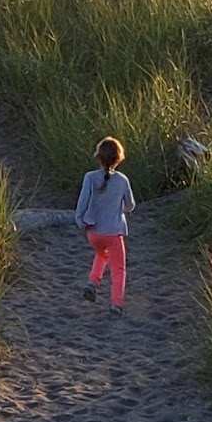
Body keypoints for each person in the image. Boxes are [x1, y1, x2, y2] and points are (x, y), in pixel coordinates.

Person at [75, 135, 136, 315]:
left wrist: (80, 220)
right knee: (118, 269)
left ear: (99, 157)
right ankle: (116, 304)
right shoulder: (122, 180)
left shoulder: (90, 177)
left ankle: (93, 283)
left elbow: (82, 201)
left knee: (102, 253)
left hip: (93, 232)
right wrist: (119, 209)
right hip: (113, 231)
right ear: (118, 158)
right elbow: (130, 205)